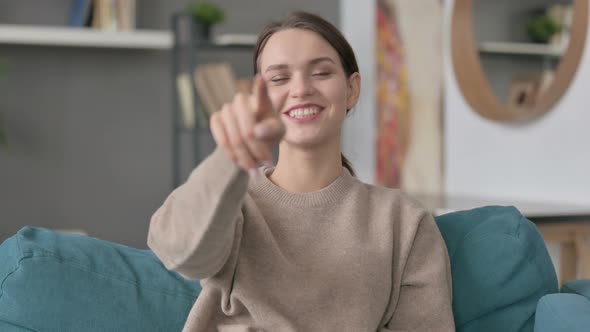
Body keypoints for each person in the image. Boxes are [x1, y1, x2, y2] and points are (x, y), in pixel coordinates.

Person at [148, 11, 454, 332]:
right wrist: (232, 155)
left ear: (352, 89)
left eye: (321, 73)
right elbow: (177, 250)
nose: (301, 89)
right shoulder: (234, 205)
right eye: (279, 78)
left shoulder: (404, 222)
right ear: (258, 97)